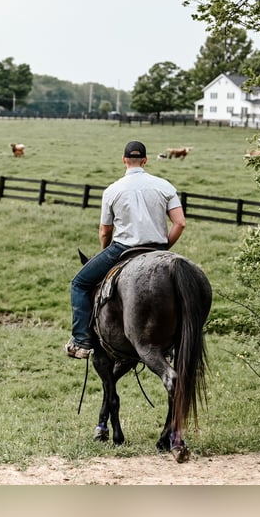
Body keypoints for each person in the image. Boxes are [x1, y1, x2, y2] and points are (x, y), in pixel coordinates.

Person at [65, 140, 186, 359]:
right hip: (157, 248)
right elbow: (180, 223)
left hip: (123, 249)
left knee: (79, 284)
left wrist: (105, 252)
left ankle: (81, 342)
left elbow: (104, 231)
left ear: (124, 160)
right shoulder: (164, 186)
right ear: (146, 160)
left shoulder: (112, 190)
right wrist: (163, 247)